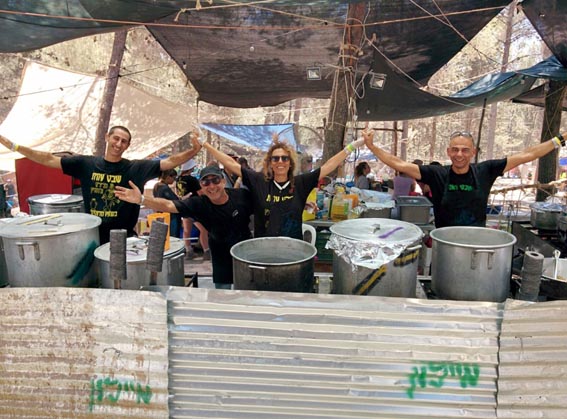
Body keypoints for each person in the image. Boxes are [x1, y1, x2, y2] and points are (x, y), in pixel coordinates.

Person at [0, 126, 202, 243]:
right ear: (107, 138)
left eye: (124, 141)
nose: (118, 144)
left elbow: (170, 161)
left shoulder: (135, 168)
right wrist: (14, 146)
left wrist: (194, 151)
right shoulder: (85, 164)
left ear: (128, 145)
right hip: (92, 236)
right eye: (116, 138)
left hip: (124, 238)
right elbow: (48, 159)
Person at [364, 128, 567, 228]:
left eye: (465, 150)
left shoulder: (485, 171)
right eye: (455, 149)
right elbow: (399, 164)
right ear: (448, 151)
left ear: (473, 152)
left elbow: (527, 154)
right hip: (444, 243)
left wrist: (559, 139)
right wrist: (372, 147)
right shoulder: (437, 174)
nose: (459, 154)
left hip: (475, 243)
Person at [201, 134, 364, 239]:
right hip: (263, 251)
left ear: (290, 162)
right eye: (275, 158)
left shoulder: (301, 183)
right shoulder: (259, 181)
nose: (280, 162)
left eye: (284, 158)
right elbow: (231, 163)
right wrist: (205, 144)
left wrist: (354, 145)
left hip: (292, 252)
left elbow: (329, 165)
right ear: (270, 162)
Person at [115, 165, 252, 290]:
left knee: (249, 288)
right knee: (222, 291)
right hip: (220, 253)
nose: (211, 186)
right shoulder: (199, 204)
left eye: (215, 180)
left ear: (223, 181)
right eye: (206, 182)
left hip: (246, 251)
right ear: (201, 185)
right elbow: (169, 205)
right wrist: (141, 199)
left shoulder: (241, 196)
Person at [177, 159, 210, 260]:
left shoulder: (178, 179)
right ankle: (206, 251)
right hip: (194, 207)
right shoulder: (192, 179)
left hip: (184, 206)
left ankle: (189, 251)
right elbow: (200, 193)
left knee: (186, 230)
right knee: (203, 230)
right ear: (190, 168)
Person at [152, 169, 182, 237]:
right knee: (173, 237)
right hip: (170, 216)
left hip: (162, 215)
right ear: (168, 177)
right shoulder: (164, 188)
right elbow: (174, 201)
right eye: (174, 178)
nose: (174, 180)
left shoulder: (157, 186)